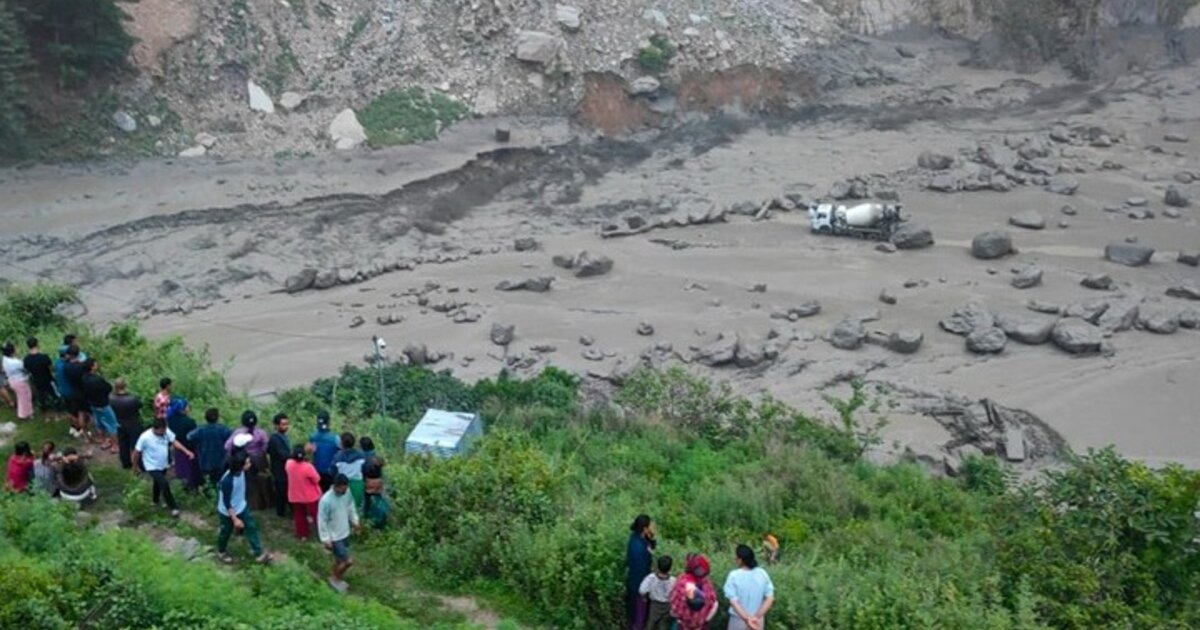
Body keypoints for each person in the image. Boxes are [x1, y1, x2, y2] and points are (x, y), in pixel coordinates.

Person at [217, 451, 271, 564]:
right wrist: (235, 519)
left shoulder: (241, 472)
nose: (249, 464)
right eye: (247, 463)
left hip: (241, 506)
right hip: (227, 511)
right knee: (226, 531)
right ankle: (221, 551)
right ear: (239, 466)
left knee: (251, 527)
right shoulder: (227, 481)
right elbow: (227, 503)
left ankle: (259, 553)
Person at [133, 418, 194, 517]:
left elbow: (174, 441)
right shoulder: (145, 437)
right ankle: (173, 507)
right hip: (151, 465)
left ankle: (155, 501)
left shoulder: (166, 431)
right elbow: (136, 452)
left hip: (163, 464)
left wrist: (186, 451)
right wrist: (135, 467)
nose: (164, 433)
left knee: (158, 482)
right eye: (162, 431)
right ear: (156, 429)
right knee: (164, 484)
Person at [318, 473, 361, 593]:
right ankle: (334, 579)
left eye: (346, 488)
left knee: (339, 560)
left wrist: (355, 521)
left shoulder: (347, 493)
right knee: (347, 561)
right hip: (335, 536)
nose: (345, 491)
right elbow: (322, 520)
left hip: (345, 532)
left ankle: (336, 577)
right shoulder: (326, 500)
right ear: (336, 486)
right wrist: (326, 539)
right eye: (342, 488)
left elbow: (351, 507)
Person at [225, 411, 271, 510]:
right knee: (259, 482)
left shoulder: (238, 433)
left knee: (246, 483)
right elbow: (266, 445)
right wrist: (259, 453)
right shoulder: (261, 433)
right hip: (259, 460)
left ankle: (247, 504)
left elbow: (228, 446)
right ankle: (262, 504)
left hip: (243, 460)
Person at [724, 545, 775, 630]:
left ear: (740, 559)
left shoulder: (734, 576)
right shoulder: (762, 573)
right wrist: (756, 617)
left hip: (738, 620)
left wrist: (747, 619)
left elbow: (734, 602)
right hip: (757, 621)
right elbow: (770, 598)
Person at [670, 553, 718, 630]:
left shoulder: (682, 581)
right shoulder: (706, 583)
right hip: (699, 626)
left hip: (683, 626)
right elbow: (714, 604)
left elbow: (674, 608)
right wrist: (706, 620)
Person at [627, 514, 658, 630]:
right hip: (639, 585)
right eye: (650, 525)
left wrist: (651, 537)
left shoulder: (636, 537)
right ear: (645, 528)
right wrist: (644, 591)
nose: (653, 527)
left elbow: (651, 545)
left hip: (634, 581)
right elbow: (642, 570)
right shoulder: (639, 549)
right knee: (638, 613)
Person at [188, 408, 232, 488]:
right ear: (218, 418)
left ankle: (208, 492)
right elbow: (232, 438)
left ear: (205, 418)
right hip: (220, 461)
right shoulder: (223, 429)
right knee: (220, 482)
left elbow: (189, 437)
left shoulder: (201, 429)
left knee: (208, 482)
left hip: (205, 462)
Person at [80, 359, 117, 452]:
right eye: (95, 364)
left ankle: (104, 442)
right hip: (103, 404)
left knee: (99, 424)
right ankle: (115, 446)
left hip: (93, 405)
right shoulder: (97, 379)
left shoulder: (83, 378)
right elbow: (108, 388)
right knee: (112, 425)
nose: (97, 365)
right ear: (92, 367)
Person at [286, 445, 322, 540]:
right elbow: (317, 479)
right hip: (310, 496)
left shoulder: (289, 464)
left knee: (299, 515)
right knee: (316, 514)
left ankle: (302, 534)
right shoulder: (308, 467)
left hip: (295, 495)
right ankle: (322, 532)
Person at [109, 378, 143, 470]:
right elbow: (139, 405)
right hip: (133, 423)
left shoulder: (111, 398)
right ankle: (138, 464)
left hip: (119, 422)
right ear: (125, 386)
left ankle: (125, 463)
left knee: (123, 444)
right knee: (136, 445)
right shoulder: (132, 398)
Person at [167, 398, 200, 491]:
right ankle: (192, 487)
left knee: (181, 468)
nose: (188, 408)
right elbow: (194, 436)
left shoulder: (170, 419)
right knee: (191, 469)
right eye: (187, 406)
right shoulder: (190, 421)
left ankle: (183, 486)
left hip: (178, 447)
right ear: (182, 409)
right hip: (190, 448)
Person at [639, 555, 677, 630]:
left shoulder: (651, 578)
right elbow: (676, 594)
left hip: (655, 605)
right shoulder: (673, 580)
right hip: (667, 605)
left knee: (651, 622)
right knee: (664, 624)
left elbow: (642, 590)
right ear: (670, 568)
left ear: (658, 566)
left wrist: (644, 598)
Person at [61, 346, 91, 438]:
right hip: (84, 391)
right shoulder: (81, 367)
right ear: (78, 354)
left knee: (80, 412)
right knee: (89, 412)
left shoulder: (66, 366)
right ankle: (90, 430)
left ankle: (83, 432)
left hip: (74, 391)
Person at [332, 432, 365, 510]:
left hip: (342, 484)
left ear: (341, 444)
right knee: (355, 508)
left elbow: (333, 471)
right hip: (357, 483)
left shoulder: (337, 457)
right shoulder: (361, 455)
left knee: (342, 507)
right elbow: (364, 469)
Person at [267, 413, 292, 518]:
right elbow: (283, 454)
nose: (286, 426)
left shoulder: (283, 437)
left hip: (285, 468)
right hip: (279, 469)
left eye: (287, 424)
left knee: (285, 488)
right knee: (280, 490)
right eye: (283, 424)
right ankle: (280, 512)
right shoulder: (274, 439)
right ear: (277, 425)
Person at [308, 411, 339, 491]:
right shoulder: (335, 438)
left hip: (316, 472)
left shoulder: (313, 437)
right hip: (330, 473)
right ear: (328, 422)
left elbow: (310, 451)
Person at [23, 337, 55, 412]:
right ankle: (57, 404)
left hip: (36, 379)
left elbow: (26, 370)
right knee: (52, 392)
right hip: (47, 379)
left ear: (28, 346)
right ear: (37, 344)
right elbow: (51, 368)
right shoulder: (44, 357)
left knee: (41, 394)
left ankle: (44, 407)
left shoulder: (26, 359)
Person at [3, 342, 33, 420]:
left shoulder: (5, 359)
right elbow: (25, 369)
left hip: (12, 381)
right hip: (20, 381)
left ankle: (23, 413)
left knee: (21, 397)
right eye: (15, 348)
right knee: (25, 398)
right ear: (12, 352)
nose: (17, 349)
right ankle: (25, 415)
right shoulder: (16, 363)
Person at [362, 450, 388, 529]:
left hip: (369, 484)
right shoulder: (378, 470)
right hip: (377, 486)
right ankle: (379, 523)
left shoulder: (368, 466)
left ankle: (366, 519)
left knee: (367, 503)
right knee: (378, 503)